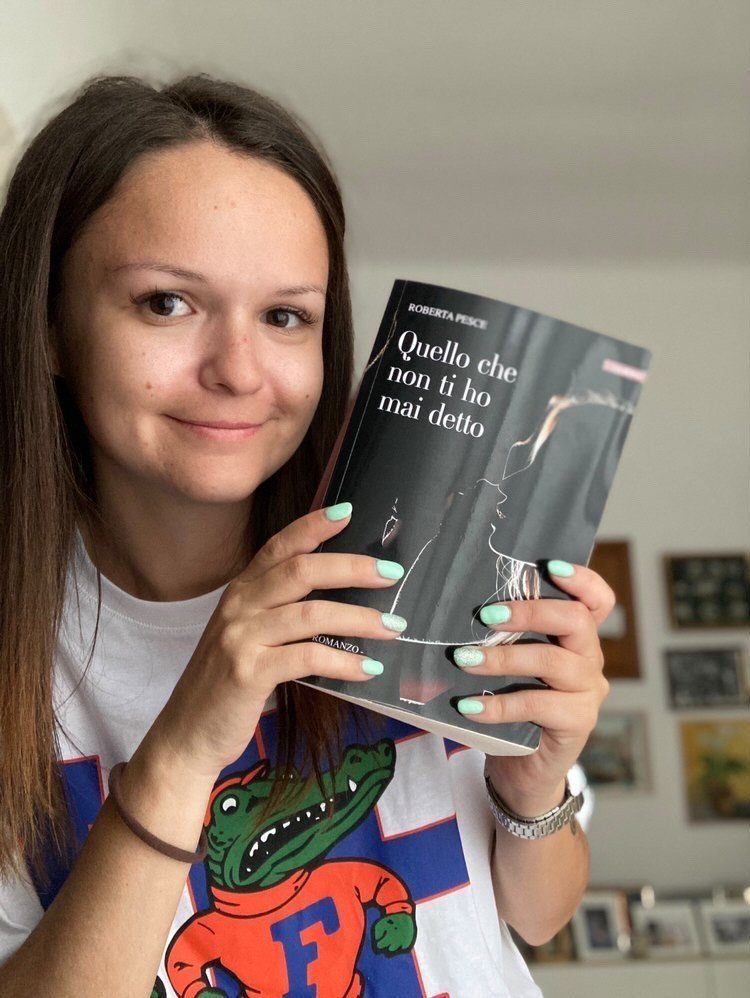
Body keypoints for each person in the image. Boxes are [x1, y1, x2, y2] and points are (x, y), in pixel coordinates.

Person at [0, 72, 611, 997]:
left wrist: (535, 791)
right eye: (167, 303)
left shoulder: (417, 572)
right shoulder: (23, 654)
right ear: (49, 323)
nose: (240, 371)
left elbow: (537, 915)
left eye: (285, 316)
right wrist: (184, 748)